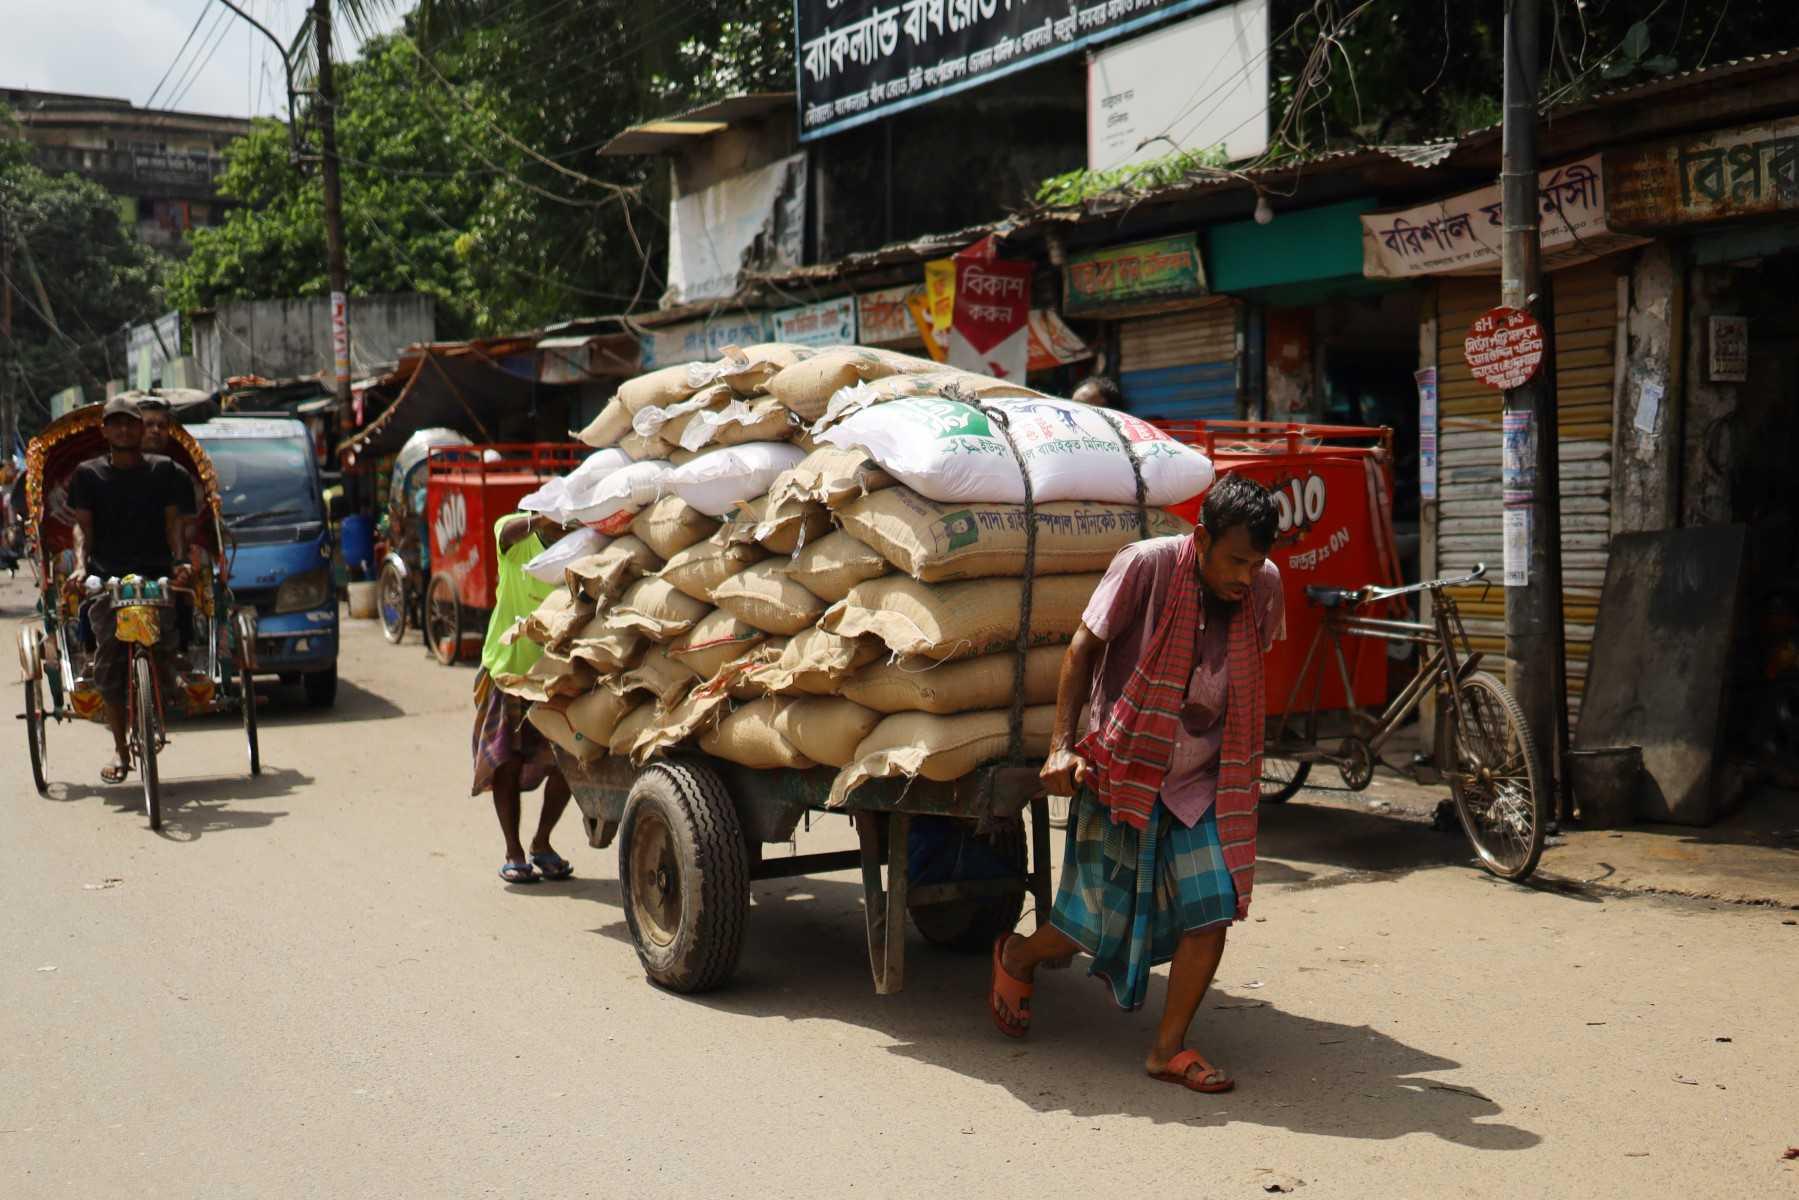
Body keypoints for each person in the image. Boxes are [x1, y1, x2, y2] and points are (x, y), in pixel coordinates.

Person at [989, 473, 1285, 1095]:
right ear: (1200, 539)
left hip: (1205, 773)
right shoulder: (1145, 567)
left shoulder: (1263, 588)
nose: (1244, 576)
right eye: (1234, 560)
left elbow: (1253, 674)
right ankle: (1016, 956)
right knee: (1091, 924)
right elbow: (1082, 648)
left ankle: (1167, 1049)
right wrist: (1062, 746)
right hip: (1125, 763)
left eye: (1255, 563)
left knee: (1212, 909)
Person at [66, 396, 191, 784]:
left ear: (142, 428)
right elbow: (81, 529)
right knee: (109, 665)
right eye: (115, 423)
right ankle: (121, 753)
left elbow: (174, 523)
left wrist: (180, 560)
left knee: (167, 646)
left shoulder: (164, 471)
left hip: (155, 574)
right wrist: (82, 567)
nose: (123, 430)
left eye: (130, 423)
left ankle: (166, 687)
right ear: (104, 430)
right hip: (108, 579)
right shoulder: (88, 475)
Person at [472, 512, 576, 885]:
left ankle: (542, 842)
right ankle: (513, 851)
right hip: (506, 673)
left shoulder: (578, 551)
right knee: (506, 763)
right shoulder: (516, 535)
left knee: (569, 762)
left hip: (555, 679)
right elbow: (505, 532)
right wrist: (542, 517)